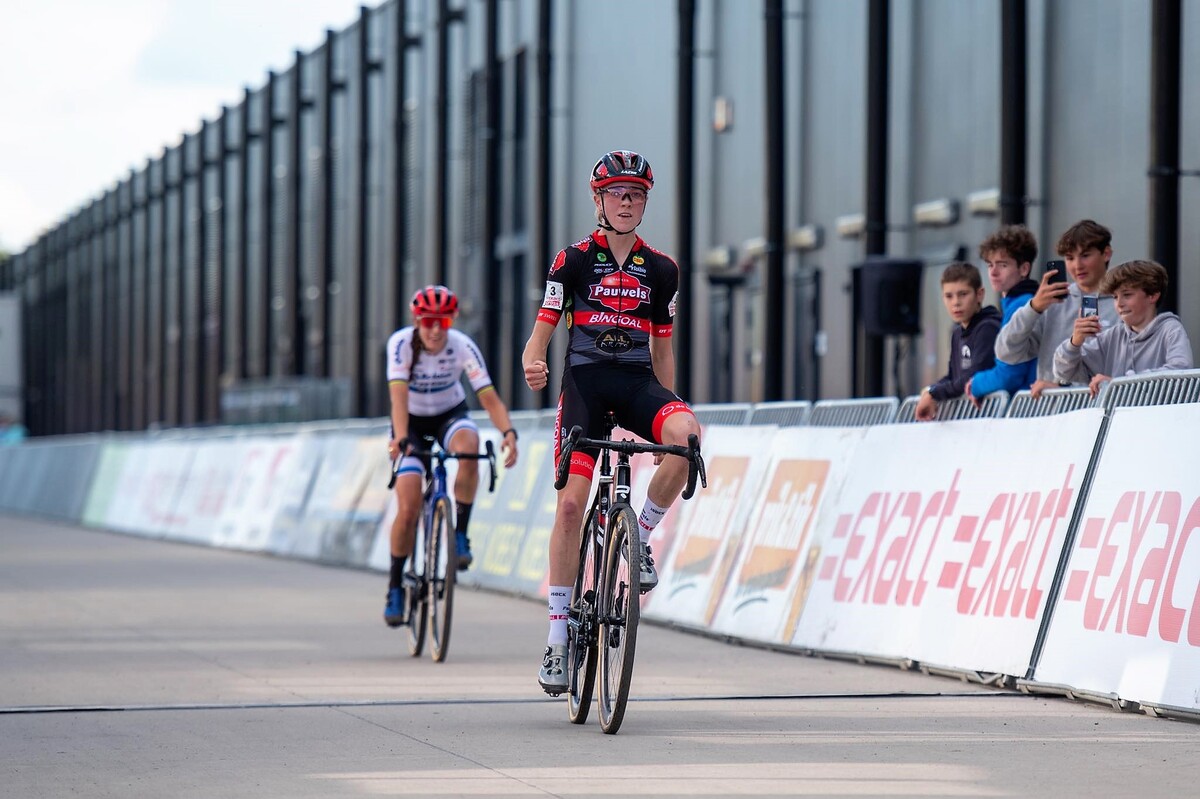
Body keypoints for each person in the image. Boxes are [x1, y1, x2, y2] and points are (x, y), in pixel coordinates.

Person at [521, 149, 701, 694]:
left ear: (645, 202)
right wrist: (533, 359)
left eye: (637, 194)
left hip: (637, 384)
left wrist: (667, 409)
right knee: (572, 504)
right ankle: (556, 642)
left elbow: (663, 347)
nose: (627, 201)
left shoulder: (663, 269)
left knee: (688, 438)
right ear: (599, 199)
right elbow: (546, 321)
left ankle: (638, 535)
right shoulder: (572, 260)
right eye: (617, 193)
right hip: (584, 387)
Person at [382, 285, 519, 627]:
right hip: (410, 423)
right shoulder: (401, 344)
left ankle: (460, 533)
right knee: (409, 506)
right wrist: (400, 438)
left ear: (451, 321)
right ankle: (396, 584)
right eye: (427, 322)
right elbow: (398, 399)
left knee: (470, 446)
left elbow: (488, 397)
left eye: (441, 322)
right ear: (416, 321)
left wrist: (508, 433)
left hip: (448, 415)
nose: (433, 330)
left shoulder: (461, 346)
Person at [993, 219, 1120, 396]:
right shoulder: (1052, 302)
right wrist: (1033, 307)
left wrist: (1065, 390)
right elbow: (1006, 353)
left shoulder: (1123, 302)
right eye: (1069, 258)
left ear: (1106, 254)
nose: (1077, 265)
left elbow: (1130, 370)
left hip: (1103, 414)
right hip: (1053, 415)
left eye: (1085, 255)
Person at [1052, 260, 1193, 396]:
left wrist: (1118, 384)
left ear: (1153, 295)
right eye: (1114, 297)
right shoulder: (1113, 335)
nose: (1119, 303)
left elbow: (1180, 372)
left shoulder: (1171, 329)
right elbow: (1065, 373)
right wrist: (1074, 343)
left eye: (1127, 295)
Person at [914, 262, 1002, 421]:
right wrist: (929, 391)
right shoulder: (957, 332)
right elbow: (954, 377)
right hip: (971, 419)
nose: (956, 302)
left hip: (992, 419)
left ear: (980, 294)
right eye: (949, 296)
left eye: (963, 294)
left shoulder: (988, 328)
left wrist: (934, 393)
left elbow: (973, 376)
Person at [964, 225, 1040, 404]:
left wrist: (976, 384)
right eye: (990, 265)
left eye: (1002, 265)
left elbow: (1010, 374)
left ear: (1024, 269)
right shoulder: (1025, 302)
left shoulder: (1021, 306)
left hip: (1028, 409)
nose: (993, 272)